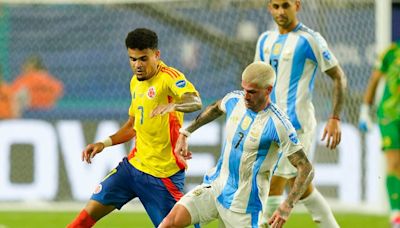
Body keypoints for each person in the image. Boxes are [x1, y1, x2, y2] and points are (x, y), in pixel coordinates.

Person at [68, 28, 202, 227]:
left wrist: (173, 105)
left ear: (156, 55)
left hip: (162, 177)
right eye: (133, 59)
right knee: (83, 219)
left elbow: (195, 101)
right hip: (132, 168)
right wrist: (103, 143)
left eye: (143, 59)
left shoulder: (169, 77)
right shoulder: (135, 82)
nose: (137, 65)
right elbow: (133, 126)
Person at [159, 61, 314, 228]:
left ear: (268, 90)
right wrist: (186, 132)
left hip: (244, 207)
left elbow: (305, 167)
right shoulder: (235, 99)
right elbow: (215, 108)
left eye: (252, 92)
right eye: (244, 89)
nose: (246, 96)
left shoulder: (278, 124)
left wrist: (287, 206)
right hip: (215, 188)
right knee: (169, 223)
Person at [253, 0, 347, 227]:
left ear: (297, 6)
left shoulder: (309, 39)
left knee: (273, 183)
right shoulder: (265, 39)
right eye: (275, 6)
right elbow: (255, 82)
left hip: (296, 125)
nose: (280, 11)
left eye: (286, 5)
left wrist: (334, 118)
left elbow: (338, 77)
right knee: (302, 187)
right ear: (269, 8)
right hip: (269, 124)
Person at [359, 40, 400, 227]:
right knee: (394, 163)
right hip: (390, 116)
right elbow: (374, 81)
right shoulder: (391, 52)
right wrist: (365, 110)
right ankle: (396, 215)